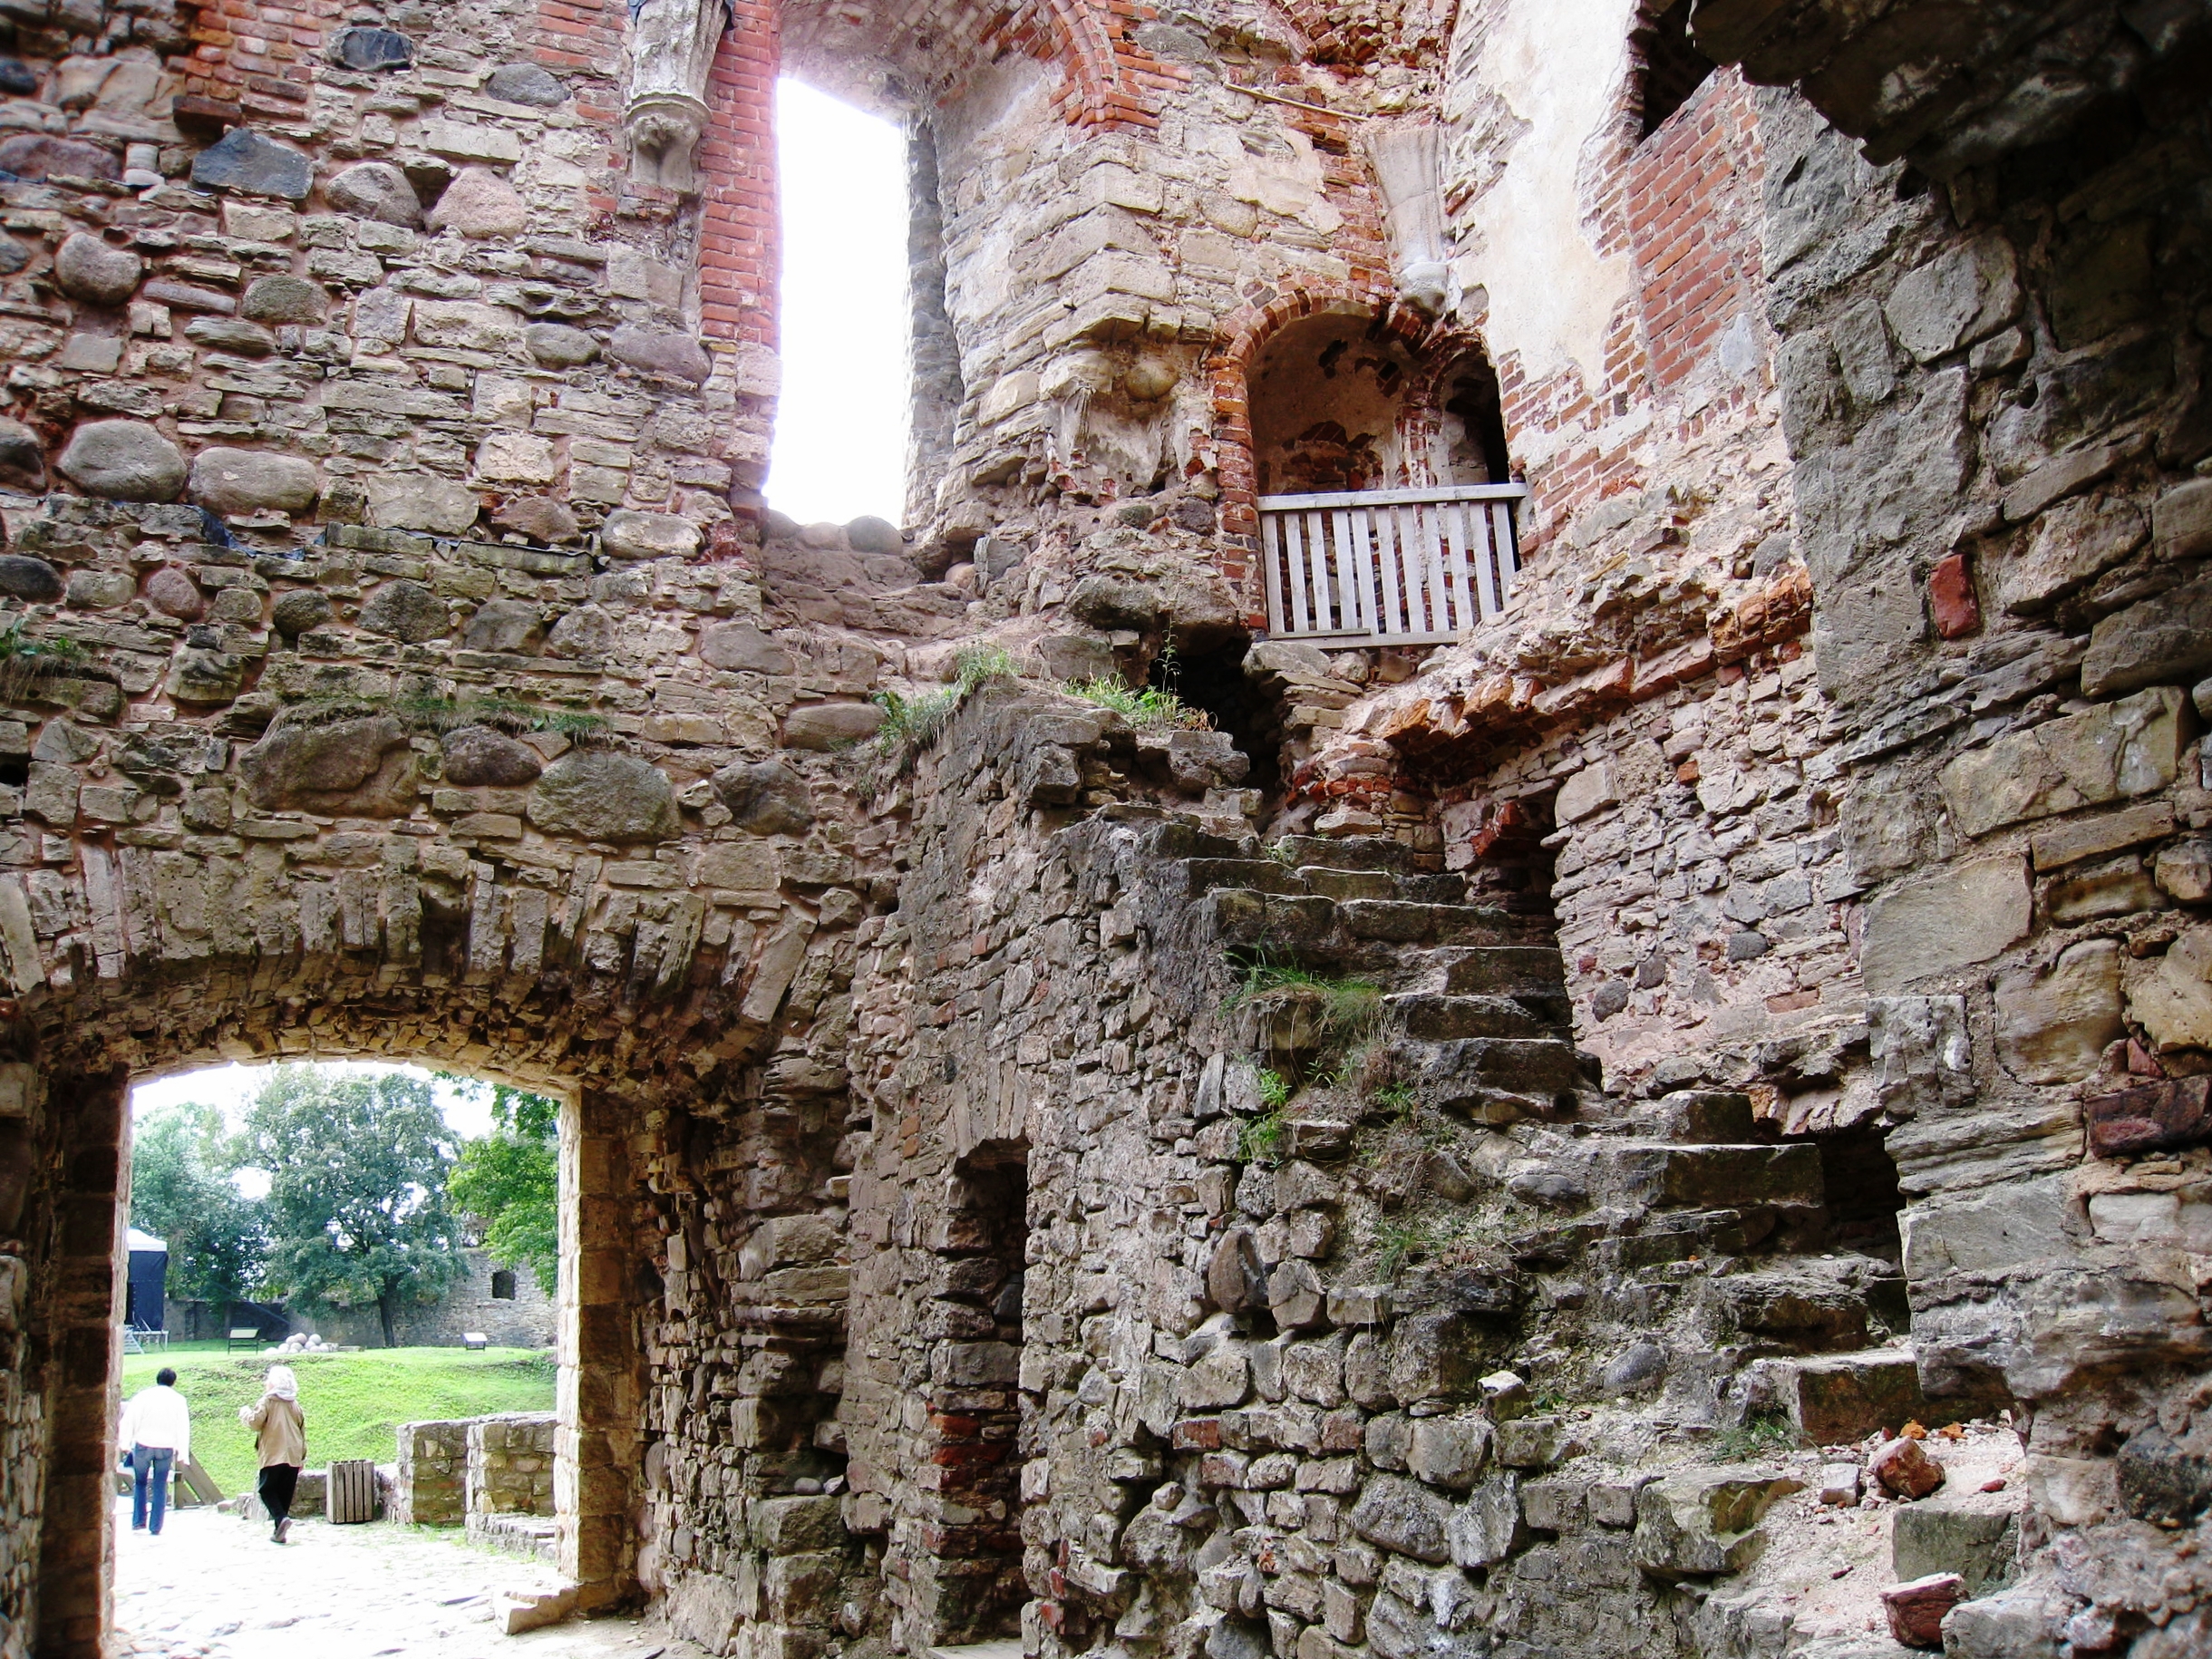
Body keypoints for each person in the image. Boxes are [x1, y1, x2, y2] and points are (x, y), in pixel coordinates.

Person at [119, 1365, 191, 1536]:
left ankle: (138, 1521)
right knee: (160, 1484)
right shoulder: (179, 1400)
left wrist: (125, 1443)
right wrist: (183, 1453)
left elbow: (129, 1420)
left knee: (140, 1483)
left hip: (143, 1444)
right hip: (165, 1447)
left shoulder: (143, 1396)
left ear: (158, 1379)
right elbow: (183, 1427)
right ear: (173, 1382)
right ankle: (156, 1525)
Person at [239, 1364, 306, 1544]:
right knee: (284, 1493)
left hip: (274, 1453)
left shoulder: (268, 1401)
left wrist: (245, 1413)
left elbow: (255, 1423)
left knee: (266, 1489)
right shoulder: (294, 1404)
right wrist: (302, 1457)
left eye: (268, 1379)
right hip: (293, 1454)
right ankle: (279, 1531)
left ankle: (281, 1519)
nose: (266, 1383)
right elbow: (302, 1431)